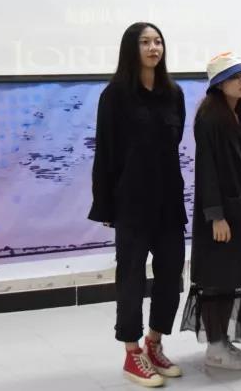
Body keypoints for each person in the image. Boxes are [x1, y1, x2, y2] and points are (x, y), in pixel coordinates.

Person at [88, 22, 187, 388]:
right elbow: (105, 153)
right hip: (131, 201)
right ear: (132, 48)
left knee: (171, 272)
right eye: (145, 42)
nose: (153, 47)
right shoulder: (115, 95)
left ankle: (154, 342)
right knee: (131, 276)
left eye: (158, 41)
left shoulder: (173, 93)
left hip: (169, 199)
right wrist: (105, 205)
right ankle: (132, 352)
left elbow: (174, 144)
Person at [180, 52, 241, 371]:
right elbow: (207, 170)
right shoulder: (210, 118)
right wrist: (216, 216)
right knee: (218, 278)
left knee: (235, 277)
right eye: (234, 77)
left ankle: (223, 341)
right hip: (221, 214)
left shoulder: (240, 115)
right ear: (218, 84)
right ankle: (215, 347)